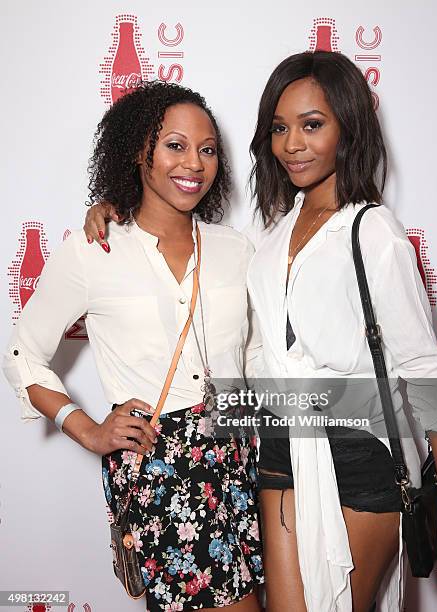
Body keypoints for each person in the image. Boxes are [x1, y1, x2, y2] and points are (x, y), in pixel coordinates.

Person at [83, 53, 437, 612]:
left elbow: (424, 371)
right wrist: (125, 209)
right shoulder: (271, 236)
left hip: (359, 452)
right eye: (280, 128)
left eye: (312, 125)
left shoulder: (374, 232)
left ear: (348, 128)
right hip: (279, 449)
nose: (292, 144)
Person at [3, 81, 264, 612]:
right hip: (160, 467)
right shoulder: (95, 249)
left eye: (207, 149)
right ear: (137, 152)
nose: (194, 162)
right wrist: (87, 429)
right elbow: (21, 353)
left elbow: (256, 358)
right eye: (174, 145)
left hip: (241, 458)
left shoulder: (235, 249)